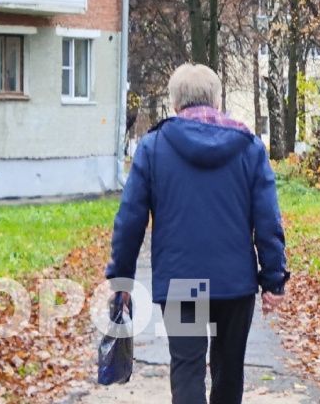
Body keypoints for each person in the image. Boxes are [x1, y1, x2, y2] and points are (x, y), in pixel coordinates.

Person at [106, 63, 289, 404]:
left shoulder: (153, 147)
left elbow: (130, 219)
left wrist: (122, 280)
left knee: (187, 368)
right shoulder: (249, 148)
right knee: (229, 370)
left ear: (175, 103)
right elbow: (268, 219)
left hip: (182, 282)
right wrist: (273, 279)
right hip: (234, 283)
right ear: (217, 100)